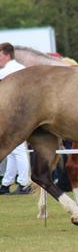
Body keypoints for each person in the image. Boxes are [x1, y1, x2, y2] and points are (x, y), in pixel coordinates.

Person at [0, 42, 32, 195]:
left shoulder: (9, 70)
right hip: (23, 112)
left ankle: (25, 183)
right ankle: (6, 183)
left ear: (7, 55)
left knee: (18, 149)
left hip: (15, 114)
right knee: (13, 149)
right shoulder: (20, 68)